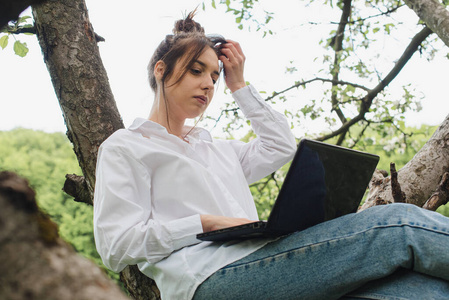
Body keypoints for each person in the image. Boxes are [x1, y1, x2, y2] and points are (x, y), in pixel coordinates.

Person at [93, 12, 449, 300]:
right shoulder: (127, 147)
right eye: (196, 70)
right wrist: (204, 223)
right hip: (210, 279)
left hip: (268, 263)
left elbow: (279, 146)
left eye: (215, 77)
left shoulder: (216, 149)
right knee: (398, 224)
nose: (207, 84)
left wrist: (239, 85)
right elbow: (115, 246)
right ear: (161, 70)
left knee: (423, 291)